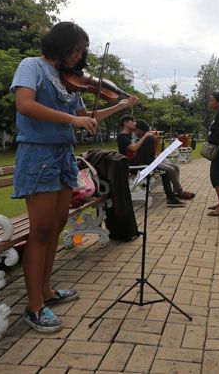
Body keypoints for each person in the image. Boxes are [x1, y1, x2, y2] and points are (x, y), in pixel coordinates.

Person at [11, 21, 139, 333]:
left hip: (63, 157)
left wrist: (121, 105)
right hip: (39, 156)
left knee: (55, 229)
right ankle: (33, 307)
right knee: (39, 232)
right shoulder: (32, 67)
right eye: (77, 49)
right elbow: (25, 105)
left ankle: (46, 292)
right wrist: (72, 119)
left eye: (83, 51)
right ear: (61, 43)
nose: (80, 55)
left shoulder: (68, 80)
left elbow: (87, 117)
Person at [123, 119, 192, 207]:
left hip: (146, 163)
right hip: (142, 165)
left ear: (140, 130)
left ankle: (175, 193)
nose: (135, 132)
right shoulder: (145, 138)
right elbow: (144, 157)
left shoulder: (147, 138)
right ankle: (176, 194)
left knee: (174, 167)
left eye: (136, 130)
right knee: (169, 170)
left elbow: (147, 156)